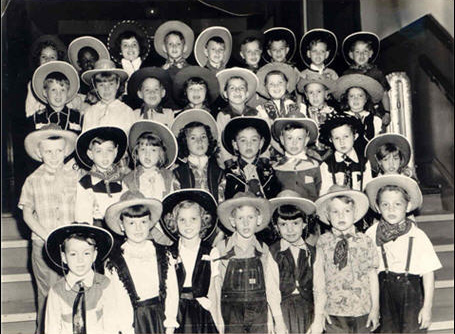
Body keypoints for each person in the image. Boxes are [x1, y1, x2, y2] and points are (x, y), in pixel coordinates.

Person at [18, 125, 79, 334]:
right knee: (48, 294)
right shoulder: (32, 180)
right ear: (39, 153)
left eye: (58, 151)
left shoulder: (74, 178)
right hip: (43, 245)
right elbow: (27, 214)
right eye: (48, 152)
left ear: (65, 151)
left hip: (70, 247)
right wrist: (48, 236)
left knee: (70, 291)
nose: (54, 156)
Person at [365, 175, 442, 333]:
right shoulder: (371, 234)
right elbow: (369, 272)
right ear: (378, 208)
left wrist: (427, 307)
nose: (391, 209)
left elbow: (428, 274)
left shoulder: (418, 235)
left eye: (397, 204)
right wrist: (374, 308)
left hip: (411, 294)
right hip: (383, 293)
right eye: (385, 204)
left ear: (407, 207)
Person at [104, 191, 179, 333]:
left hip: (160, 319)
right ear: (121, 225)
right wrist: (126, 329)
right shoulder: (114, 262)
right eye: (131, 223)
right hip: (133, 323)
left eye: (143, 222)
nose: (138, 228)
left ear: (150, 222)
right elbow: (115, 301)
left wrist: (170, 323)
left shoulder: (164, 254)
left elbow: (172, 290)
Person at [215, 192, 287, 334]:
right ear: (233, 221)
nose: (246, 223)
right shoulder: (221, 249)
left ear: (258, 219)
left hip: (259, 315)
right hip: (231, 315)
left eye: (250, 217)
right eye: (240, 218)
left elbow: (271, 288)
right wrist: (218, 319)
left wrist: (274, 319)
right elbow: (216, 289)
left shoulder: (264, 249)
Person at [312, 186, 380, 334]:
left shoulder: (365, 241)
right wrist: (320, 310)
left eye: (347, 211)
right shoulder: (322, 242)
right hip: (333, 312)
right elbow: (319, 278)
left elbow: (372, 276)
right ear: (328, 215)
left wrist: (375, 308)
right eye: (335, 212)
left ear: (355, 214)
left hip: (362, 309)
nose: (341, 216)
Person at [161, 189, 222, 333]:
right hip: (178, 313)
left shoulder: (211, 252)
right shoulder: (169, 253)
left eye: (193, 219)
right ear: (174, 222)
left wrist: (219, 322)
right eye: (182, 220)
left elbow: (214, 290)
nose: (188, 224)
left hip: (203, 314)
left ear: (203, 220)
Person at [44, 223, 116, 334]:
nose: (80, 260)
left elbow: (112, 326)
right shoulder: (56, 291)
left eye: (86, 253)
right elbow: (51, 328)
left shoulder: (105, 285)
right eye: (73, 254)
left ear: (94, 255)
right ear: (64, 257)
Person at [268, 190, 318, 333]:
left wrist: (318, 320)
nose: (290, 229)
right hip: (283, 311)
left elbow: (320, 289)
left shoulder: (313, 252)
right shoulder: (273, 253)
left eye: (295, 223)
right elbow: (272, 291)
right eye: (283, 224)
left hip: (308, 310)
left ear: (304, 224)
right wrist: (278, 322)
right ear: (276, 227)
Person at [75, 126, 128, 226]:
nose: (105, 156)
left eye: (109, 150)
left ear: (116, 152)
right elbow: (82, 217)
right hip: (97, 233)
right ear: (90, 154)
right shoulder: (85, 183)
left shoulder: (123, 180)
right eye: (99, 151)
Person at [171, 109, 225, 203]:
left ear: (209, 140)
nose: (199, 141)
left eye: (203, 137)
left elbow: (221, 203)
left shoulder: (219, 173)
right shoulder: (178, 174)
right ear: (184, 142)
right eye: (193, 138)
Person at [341, 32, 391, 131]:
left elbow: (384, 94)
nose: (362, 55)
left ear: (371, 54)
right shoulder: (347, 74)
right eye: (357, 52)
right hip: (354, 112)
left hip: (374, 113)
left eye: (365, 51)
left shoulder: (376, 72)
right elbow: (343, 96)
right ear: (351, 55)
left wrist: (387, 113)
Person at [222, 116, 281, 199]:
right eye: (243, 140)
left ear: (261, 143)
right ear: (235, 144)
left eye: (254, 140)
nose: (248, 144)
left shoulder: (270, 172)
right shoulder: (229, 174)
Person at [123, 120, 180, 200]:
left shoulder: (169, 177)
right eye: (143, 149)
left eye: (153, 150)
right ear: (137, 152)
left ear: (160, 154)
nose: (147, 155)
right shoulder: (129, 179)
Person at [318, 114, 373, 195]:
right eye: (337, 138)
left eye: (346, 136)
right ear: (331, 140)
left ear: (355, 136)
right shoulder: (326, 164)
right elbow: (324, 192)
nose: (342, 142)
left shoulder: (364, 162)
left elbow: (368, 189)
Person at [271, 114, 321, 200]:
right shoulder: (276, 168)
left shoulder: (314, 165)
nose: (294, 143)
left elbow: (319, 190)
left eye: (299, 138)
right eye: (290, 138)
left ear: (306, 141)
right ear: (282, 140)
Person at [81, 59, 136, 134]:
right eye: (101, 85)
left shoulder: (127, 111)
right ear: (95, 87)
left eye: (111, 84)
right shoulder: (90, 112)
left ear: (117, 84)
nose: (106, 89)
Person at [30, 60, 82, 134]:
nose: (58, 94)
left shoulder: (78, 117)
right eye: (53, 90)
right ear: (45, 92)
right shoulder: (36, 118)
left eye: (63, 90)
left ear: (68, 93)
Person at [26, 35, 68, 119]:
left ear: (58, 59)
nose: (48, 60)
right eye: (44, 57)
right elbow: (30, 112)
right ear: (38, 60)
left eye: (52, 57)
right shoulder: (33, 84)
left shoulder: (66, 79)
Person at [333, 73, 384, 141]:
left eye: (360, 96)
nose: (356, 99)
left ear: (366, 99)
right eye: (352, 96)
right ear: (347, 99)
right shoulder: (340, 118)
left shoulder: (375, 120)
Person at [67, 36, 111, 112]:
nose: (89, 63)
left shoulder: (106, 80)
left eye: (92, 59)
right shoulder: (76, 84)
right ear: (79, 64)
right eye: (84, 60)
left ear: (98, 60)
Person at [215, 67, 260, 132]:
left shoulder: (255, 113)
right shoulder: (223, 115)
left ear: (247, 94)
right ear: (225, 94)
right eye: (232, 88)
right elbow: (221, 139)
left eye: (241, 88)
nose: (237, 90)